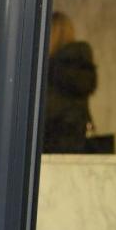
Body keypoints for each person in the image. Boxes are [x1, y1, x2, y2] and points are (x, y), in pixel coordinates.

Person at [43, 10, 98, 152]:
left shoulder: (51, 69)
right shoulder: (80, 67)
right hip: (76, 147)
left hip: (50, 149)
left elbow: (48, 112)